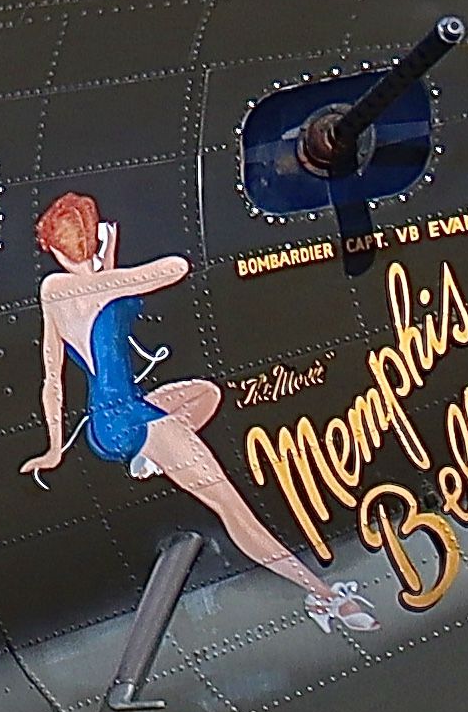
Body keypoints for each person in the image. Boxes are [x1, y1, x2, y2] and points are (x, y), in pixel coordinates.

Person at [22, 194, 374, 631]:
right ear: (90, 241)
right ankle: (322, 596)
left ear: (55, 251)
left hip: (105, 423)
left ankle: (148, 457)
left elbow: (52, 380)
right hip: (133, 421)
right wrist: (108, 265)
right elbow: (174, 268)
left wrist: (55, 448)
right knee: (229, 504)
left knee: (203, 395)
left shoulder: (51, 291)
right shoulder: (106, 284)